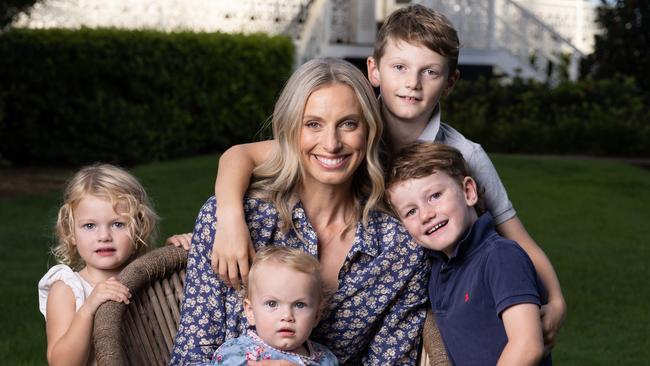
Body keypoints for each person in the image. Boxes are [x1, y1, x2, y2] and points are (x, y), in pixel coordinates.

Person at [209, 4, 565, 352]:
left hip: (418, 278)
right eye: (399, 67)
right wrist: (228, 218)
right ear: (374, 71)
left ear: (450, 81)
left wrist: (557, 300)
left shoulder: (465, 156)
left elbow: (516, 238)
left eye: (430, 72)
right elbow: (240, 155)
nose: (412, 83)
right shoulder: (350, 126)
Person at [169, 58, 430, 365]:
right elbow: (191, 357)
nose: (331, 144)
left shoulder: (399, 249)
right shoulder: (234, 219)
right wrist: (229, 217)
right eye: (313, 124)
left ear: (369, 131)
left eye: (348, 124)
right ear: (290, 130)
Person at [385, 141, 551, 366]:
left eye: (434, 196)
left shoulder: (501, 256)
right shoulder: (438, 268)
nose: (426, 215)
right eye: (411, 211)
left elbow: (527, 345)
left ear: (468, 192)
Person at [38, 163, 158, 366]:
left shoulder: (147, 277)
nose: (104, 236)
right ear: (71, 232)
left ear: (139, 227)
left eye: (118, 224)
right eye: (89, 225)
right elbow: (61, 363)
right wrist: (88, 309)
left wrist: (183, 246)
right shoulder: (67, 288)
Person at [205, 246, 338, 365]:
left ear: (316, 316)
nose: (287, 316)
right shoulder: (236, 354)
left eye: (299, 305)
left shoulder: (326, 359)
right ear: (250, 311)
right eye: (272, 303)